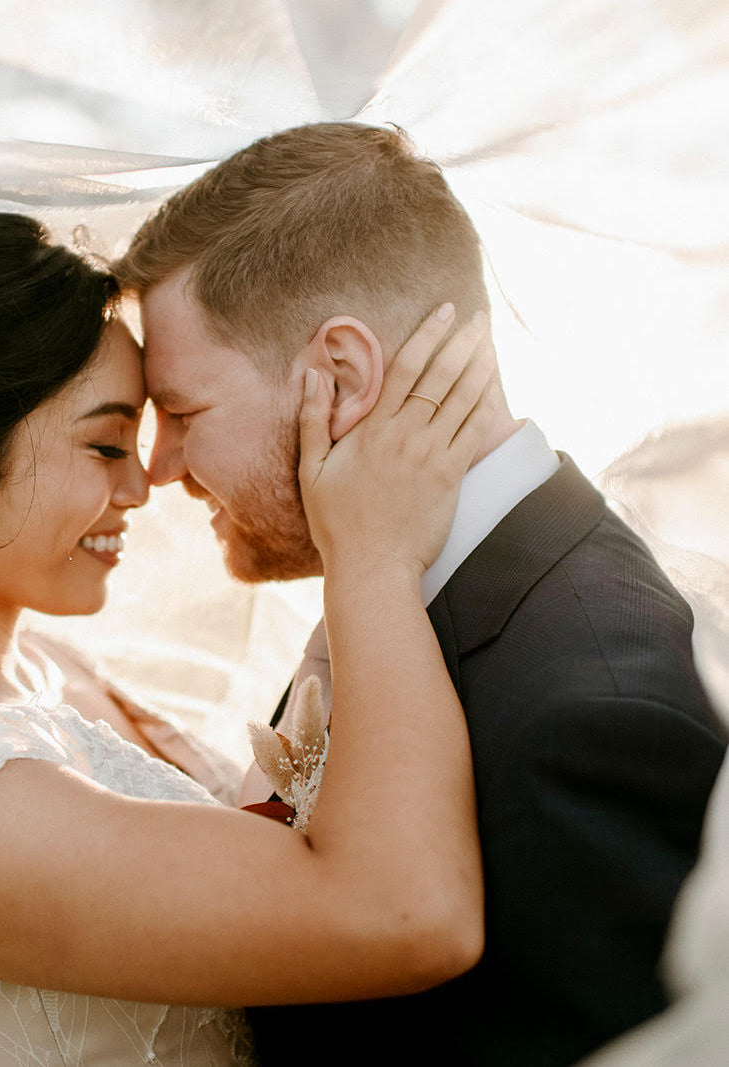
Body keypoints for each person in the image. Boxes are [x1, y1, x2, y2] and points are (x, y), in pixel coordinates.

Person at [0, 211, 497, 1066]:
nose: (141, 485)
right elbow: (406, 917)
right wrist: (374, 562)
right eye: (104, 443)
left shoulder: (46, 673)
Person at [113, 122, 727, 1066]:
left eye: (183, 411)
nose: (159, 468)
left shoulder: (593, 718)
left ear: (342, 376)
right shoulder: (399, 592)